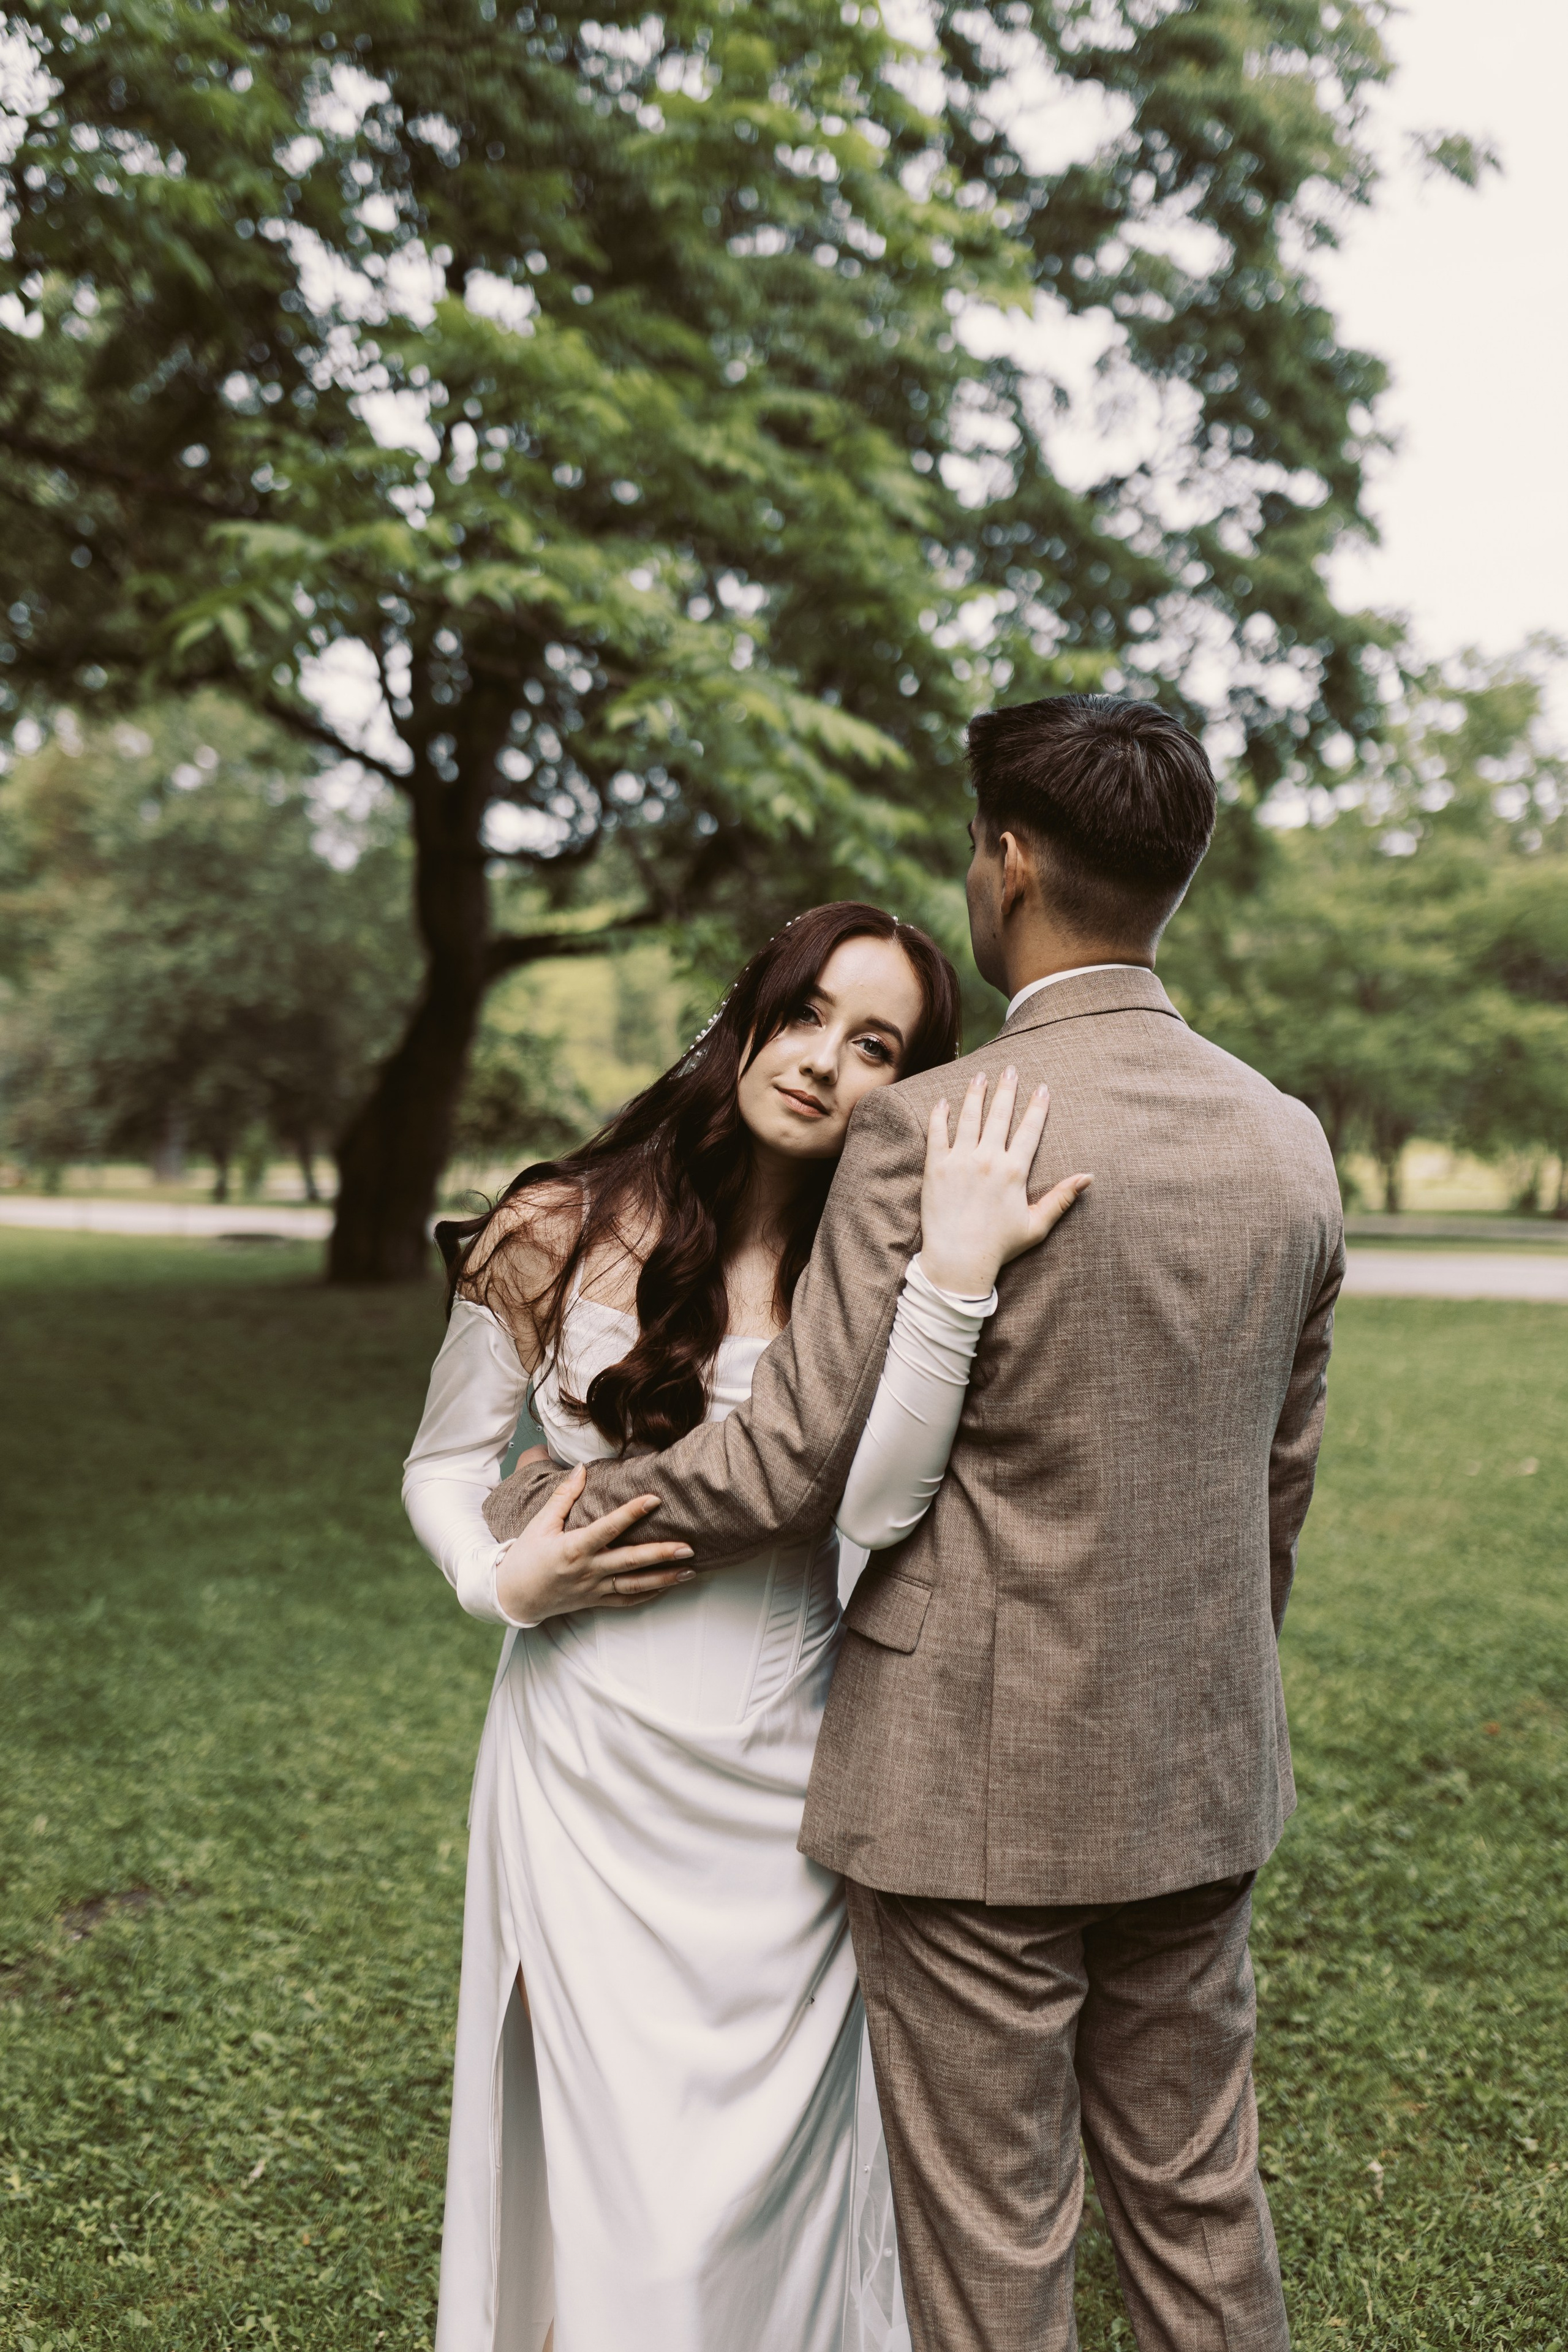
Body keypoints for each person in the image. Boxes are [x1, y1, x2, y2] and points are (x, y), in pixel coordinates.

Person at [490, 695, 1346, 2352]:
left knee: (993, 2242)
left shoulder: (926, 1129)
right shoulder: (1290, 1145)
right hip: (1201, 1765)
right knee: (1195, 2200)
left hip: (969, 1791)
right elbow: (1276, 1493)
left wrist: (572, 1495)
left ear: (1007, 862)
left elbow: (788, 1465)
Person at [402, 899, 1091, 2352]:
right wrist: (504, 1583)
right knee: (610, 2178)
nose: (822, 1063)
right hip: (583, 1761)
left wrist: (955, 1275)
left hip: (792, 1771)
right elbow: (447, 1466)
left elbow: (878, 1501)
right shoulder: (559, 1219)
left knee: (761, 2186)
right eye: (804, 1015)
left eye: (873, 1045)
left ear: (898, 1089)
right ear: (746, 1017)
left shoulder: (876, 1259)